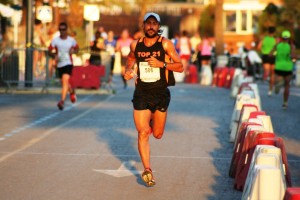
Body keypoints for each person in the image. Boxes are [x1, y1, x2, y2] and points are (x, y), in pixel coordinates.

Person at [124, 12, 183, 187]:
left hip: (160, 94)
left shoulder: (165, 44)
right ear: (143, 25)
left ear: (158, 27)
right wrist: (128, 70)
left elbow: (180, 66)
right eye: (148, 23)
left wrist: (162, 64)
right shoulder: (136, 45)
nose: (151, 27)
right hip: (141, 92)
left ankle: (151, 120)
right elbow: (130, 60)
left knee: (157, 134)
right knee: (142, 132)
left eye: (154, 24)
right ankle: (147, 169)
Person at [48, 22, 79, 110]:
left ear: (66, 30)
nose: (62, 32)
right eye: (60, 30)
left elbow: (77, 49)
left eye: (63, 30)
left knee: (65, 81)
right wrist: (54, 55)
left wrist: (73, 51)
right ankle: (72, 92)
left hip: (68, 63)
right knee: (64, 82)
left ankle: (62, 101)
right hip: (60, 63)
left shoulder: (71, 40)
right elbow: (49, 50)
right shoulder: (55, 40)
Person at [270, 30, 296, 109]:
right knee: (287, 85)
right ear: (289, 38)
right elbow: (292, 56)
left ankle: (278, 84)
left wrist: (276, 56)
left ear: (281, 37)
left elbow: (270, 54)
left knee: (278, 79)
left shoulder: (277, 45)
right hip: (288, 68)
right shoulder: (291, 46)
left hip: (278, 67)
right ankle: (285, 103)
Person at [258, 26, 277, 96]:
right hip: (273, 56)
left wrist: (262, 51)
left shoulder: (264, 39)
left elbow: (259, 47)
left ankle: (266, 76)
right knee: (272, 74)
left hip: (265, 55)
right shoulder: (275, 40)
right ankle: (270, 90)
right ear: (274, 32)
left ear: (268, 31)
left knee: (267, 70)